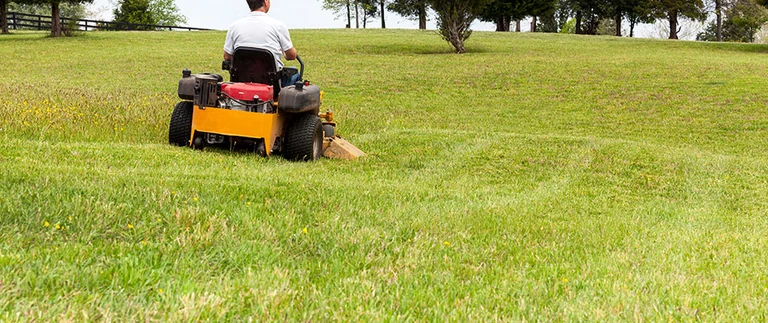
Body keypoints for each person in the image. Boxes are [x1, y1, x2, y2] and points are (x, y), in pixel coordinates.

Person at [224, 0, 301, 87]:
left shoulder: (234, 26)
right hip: (272, 86)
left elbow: (227, 56)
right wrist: (283, 52)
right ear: (266, 2)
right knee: (294, 72)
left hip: (241, 84)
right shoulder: (278, 26)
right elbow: (292, 55)